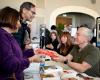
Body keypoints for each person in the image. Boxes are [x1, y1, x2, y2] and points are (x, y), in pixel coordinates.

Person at [0, 7, 40, 80]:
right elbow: (10, 65)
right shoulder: (2, 36)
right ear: (11, 19)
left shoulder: (9, 35)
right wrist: (31, 59)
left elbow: (17, 56)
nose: (19, 24)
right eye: (18, 20)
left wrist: (32, 52)